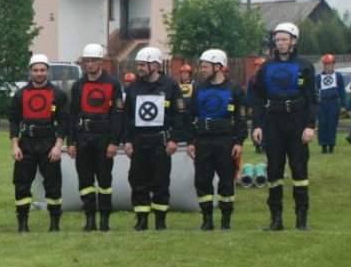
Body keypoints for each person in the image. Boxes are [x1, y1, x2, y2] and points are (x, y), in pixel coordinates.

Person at [249, 22, 317, 230]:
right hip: (274, 121)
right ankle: (276, 219)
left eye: (284, 39)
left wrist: (309, 126)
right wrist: (257, 125)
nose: (280, 43)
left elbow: (311, 99)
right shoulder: (267, 67)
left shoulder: (305, 66)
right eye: (277, 40)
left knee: (299, 170)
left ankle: (301, 219)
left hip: (297, 121)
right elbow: (258, 98)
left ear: (293, 41)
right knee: (274, 171)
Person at [123, 46, 184, 231]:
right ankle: (141, 220)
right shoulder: (134, 87)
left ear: (155, 65)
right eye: (138, 65)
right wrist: (127, 140)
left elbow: (180, 115)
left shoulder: (171, 86)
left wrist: (174, 139)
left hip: (161, 142)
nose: (139, 68)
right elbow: (126, 117)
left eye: (143, 65)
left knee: (161, 181)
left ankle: (160, 221)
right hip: (139, 142)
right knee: (137, 181)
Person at [186, 49, 247, 231]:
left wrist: (239, 142)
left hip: (225, 142)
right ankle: (207, 219)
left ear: (218, 67)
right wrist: (190, 141)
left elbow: (241, 119)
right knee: (202, 180)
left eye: (205, 66)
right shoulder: (198, 89)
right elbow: (191, 116)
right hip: (203, 142)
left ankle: (226, 220)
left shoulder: (234, 90)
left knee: (226, 181)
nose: (202, 70)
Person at [8, 55, 69, 232]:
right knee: (22, 184)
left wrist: (58, 146)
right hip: (26, 143)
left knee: (53, 185)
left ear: (48, 71)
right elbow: (13, 121)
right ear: (30, 71)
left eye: (42, 70)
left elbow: (64, 122)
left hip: (49, 143)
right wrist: (15, 145)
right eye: (36, 70)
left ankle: (55, 224)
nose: (39, 73)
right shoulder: (20, 94)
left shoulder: (58, 95)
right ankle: (22, 224)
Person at [67, 44, 124, 232]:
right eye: (86, 61)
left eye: (93, 61)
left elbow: (117, 115)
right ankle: (90, 218)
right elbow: (72, 115)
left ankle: (105, 220)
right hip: (83, 138)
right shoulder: (78, 86)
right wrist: (71, 142)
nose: (89, 64)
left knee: (105, 181)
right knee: (85, 181)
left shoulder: (113, 84)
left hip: (104, 138)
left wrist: (114, 142)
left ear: (101, 62)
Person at [316, 54, 346, 153]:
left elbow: (342, 91)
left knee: (332, 124)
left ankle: (331, 145)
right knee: (322, 124)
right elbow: (315, 91)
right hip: (322, 103)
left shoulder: (338, 76)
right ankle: (323, 145)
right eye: (326, 64)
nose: (328, 66)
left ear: (333, 65)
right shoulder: (318, 77)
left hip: (334, 103)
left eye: (330, 64)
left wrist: (343, 105)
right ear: (323, 65)